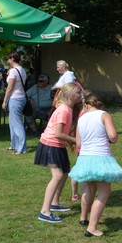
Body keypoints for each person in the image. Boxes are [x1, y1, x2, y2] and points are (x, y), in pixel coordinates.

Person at [69, 91, 122, 237]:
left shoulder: (81, 118)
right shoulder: (104, 115)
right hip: (100, 157)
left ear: (86, 104)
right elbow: (113, 136)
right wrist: (109, 139)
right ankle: (92, 227)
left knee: (88, 189)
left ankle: (83, 218)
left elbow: (79, 143)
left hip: (85, 158)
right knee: (104, 192)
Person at [34, 83, 82, 223]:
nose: (80, 95)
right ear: (71, 95)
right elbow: (58, 134)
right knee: (58, 175)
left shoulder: (67, 108)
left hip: (58, 145)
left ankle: (54, 203)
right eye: (78, 93)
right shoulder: (64, 110)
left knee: (65, 172)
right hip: (50, 144)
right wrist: (75, 141)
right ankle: (44, 211)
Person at [1, 52, 28, 154]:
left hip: (15, 99)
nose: (7, 60)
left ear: (12, 59)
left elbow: (10, 87)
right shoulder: (21, 69)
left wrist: (5, 101)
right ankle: (14, 145)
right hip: (21, 97)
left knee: (17, 124)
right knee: (13, 124)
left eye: (8, 58)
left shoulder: (13, 71)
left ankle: (21, 148)